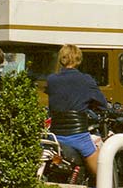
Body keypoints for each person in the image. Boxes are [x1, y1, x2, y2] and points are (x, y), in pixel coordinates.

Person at [46, 44, 107, 176]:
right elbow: (102, 104)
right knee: (102, 175)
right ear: (78, 59)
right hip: (78, 136)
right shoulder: (86, 80)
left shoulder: (51, 80)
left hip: (56, 135)